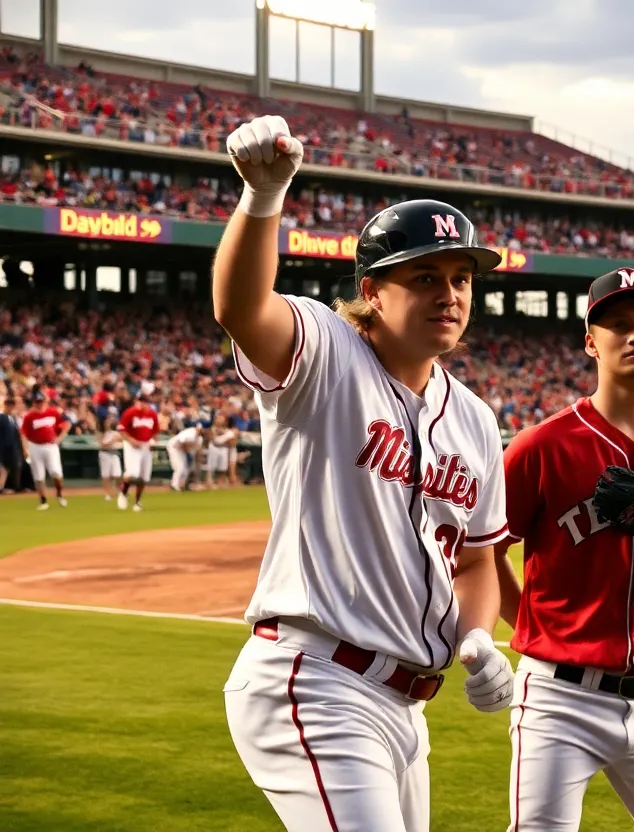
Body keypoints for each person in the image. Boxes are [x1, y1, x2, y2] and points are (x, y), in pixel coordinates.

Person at [215, 114, 514, 832]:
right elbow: (240, 309)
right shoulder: (326, 353)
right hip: (316, 679)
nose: (451, 293)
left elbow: (475, 561)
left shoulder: (473, 418)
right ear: (374, 291)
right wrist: (262, 200)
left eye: (461, 277)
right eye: (426, 276)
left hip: (408, 706)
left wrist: (478, 636)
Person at [494, 268, 634, 832]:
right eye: (618, 324)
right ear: (591, 340)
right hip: (559, 699)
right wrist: (531, 620)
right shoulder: (541, 447)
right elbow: (479, 552)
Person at [19, 390, 70, 510]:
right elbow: (23, 433)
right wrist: (25, 448)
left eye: (41, 401)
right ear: (34, 403)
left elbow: (66, 424)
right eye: (37, 402)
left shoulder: (53, 412)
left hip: (50, 446)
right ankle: (43, 500)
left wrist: (59, 438)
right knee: (39, 476)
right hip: (35, 446)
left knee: (56, 472)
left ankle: (59, 494)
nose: (39, 404)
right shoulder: (29, 416)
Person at [116, 389, 160, 511]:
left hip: (146, 446)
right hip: (132, 446)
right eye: (142, 401)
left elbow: (155, 431)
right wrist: (130, 440)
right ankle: (123, 493)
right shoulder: (130, 413)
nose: (145, 404)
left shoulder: (152, 414)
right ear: (138, 401)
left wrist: (154, 441)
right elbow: (121, 429)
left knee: (144, 477)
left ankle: (137, 502)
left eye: (147, 402)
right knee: (132, 474)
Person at [167, 421, 206, 491]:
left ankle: (182, 485)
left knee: (185, 469)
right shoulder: (189, 433)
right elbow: (180, 443)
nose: (200, 430)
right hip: (174, 448)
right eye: (199, 429)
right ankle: (174, 485)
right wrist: (189, 451)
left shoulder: (200, 439)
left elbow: (197, 450)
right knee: (179, 468)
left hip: (182, 451)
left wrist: (191, 456)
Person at [96, 415, 123, 501]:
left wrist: (114, 441)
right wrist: (112, 441)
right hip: (105, 454)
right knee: (106, 475)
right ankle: (107, 494)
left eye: (109, 422)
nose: (108, 423)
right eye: (106, 422)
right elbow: (102, 445)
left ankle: (118, 490)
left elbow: (121, 440)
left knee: (117, 474)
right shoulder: (100, 433)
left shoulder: (114, 433)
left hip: (114, 453)